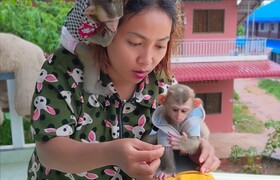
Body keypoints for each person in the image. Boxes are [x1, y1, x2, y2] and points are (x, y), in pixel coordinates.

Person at [27, 0, 220, 179]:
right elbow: (48, 150)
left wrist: (194, 148)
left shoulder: (164, 83)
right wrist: (112, 153)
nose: (147, 60)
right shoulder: (63, 69)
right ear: (104, 30)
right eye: (135, 43)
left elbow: (172, 135)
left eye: (160, 45)